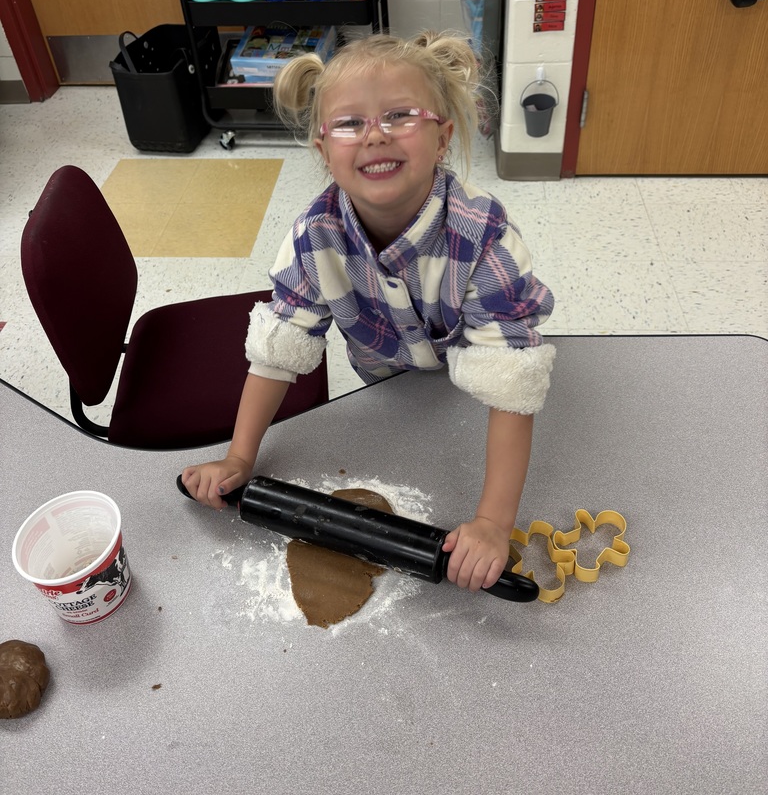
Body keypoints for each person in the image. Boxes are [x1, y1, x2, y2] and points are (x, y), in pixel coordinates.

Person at [181, 31, 555, 592]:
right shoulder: (313, 237)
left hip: (467, 379)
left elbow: (510, 386)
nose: (376, 136)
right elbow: (278, 354)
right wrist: (239, 457)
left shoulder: (486, 238)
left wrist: (493, 523)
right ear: (324, 152)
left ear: (443, 138)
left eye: (400, 116)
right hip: (382, 382)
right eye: (351, 124)